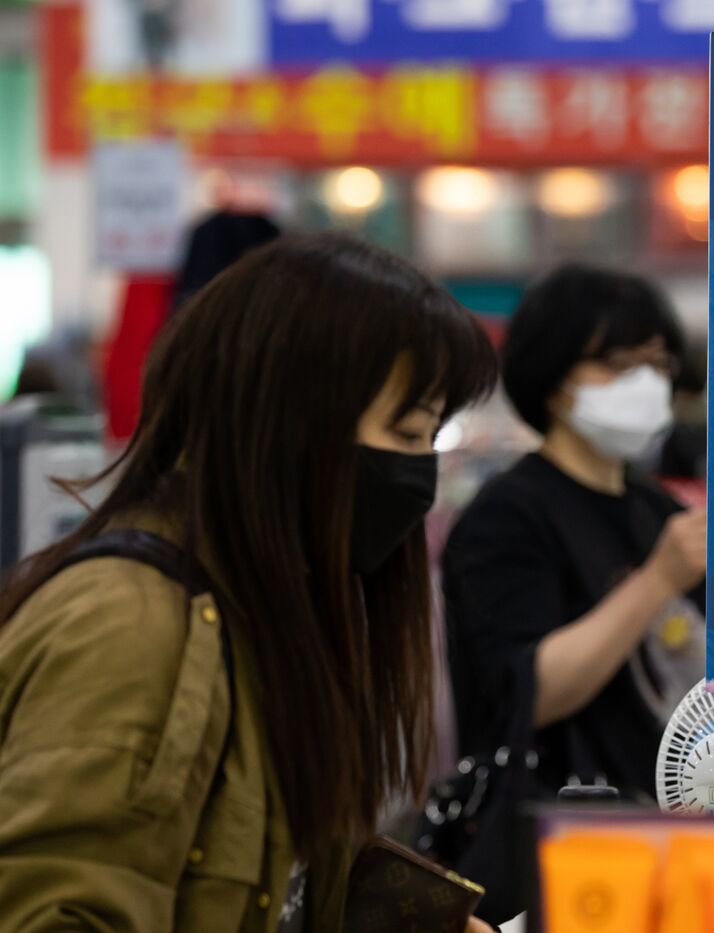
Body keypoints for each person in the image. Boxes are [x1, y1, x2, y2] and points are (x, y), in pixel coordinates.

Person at [0, 234, 497, 931]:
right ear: (290, 425)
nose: (420, 474)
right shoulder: (130, 627)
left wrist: (429, 920)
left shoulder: (262, 609)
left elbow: (278, 872)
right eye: (407, 432)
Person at [443, 264, 707, 805]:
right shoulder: (506, 516)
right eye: (618, 365)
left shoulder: (657, 508)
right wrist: (657, 580)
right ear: (555, 377)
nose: (646, 383)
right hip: (548, 824)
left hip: (667, 814)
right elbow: (529, 693)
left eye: (658, 363)